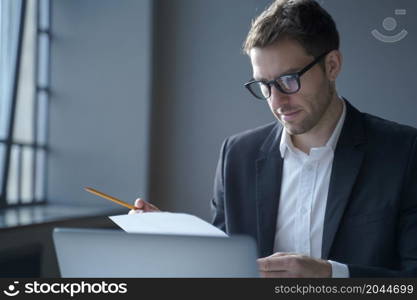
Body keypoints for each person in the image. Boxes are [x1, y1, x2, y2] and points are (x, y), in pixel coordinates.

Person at [130, 0, 417, 277]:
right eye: (264, 85)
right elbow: (225, 268)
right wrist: (172, 237)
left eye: (289, 80)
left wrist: (331, 277)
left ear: (332, 65)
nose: (277, 100)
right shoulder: (237, 155)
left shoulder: (403, 152)